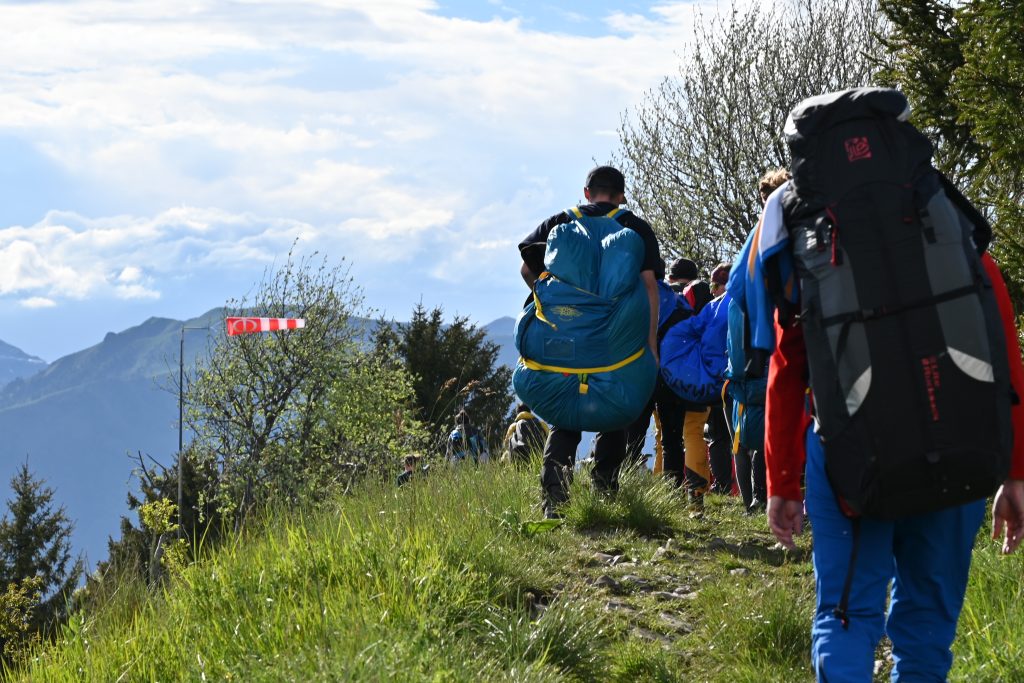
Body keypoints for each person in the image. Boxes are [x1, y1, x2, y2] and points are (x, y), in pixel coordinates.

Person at [518, 165, 661, 518]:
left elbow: (526, 269)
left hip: (564, 343)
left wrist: (554, 306)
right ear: (622, 195)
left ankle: (554, 498)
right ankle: (603, 489)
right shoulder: (635, 228)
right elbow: (648, 287)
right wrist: (650, 341)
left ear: (586, 193)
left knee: (565, 417)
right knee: (614, 411)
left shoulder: (558, 223)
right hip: (614, 344)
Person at [704, 263, 734, 495]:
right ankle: (754, 491)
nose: (712, 290)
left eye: (715, 285)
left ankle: (722, 485)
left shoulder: (715, 308)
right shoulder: (753, 304)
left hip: (720, 379)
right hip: (746, 377)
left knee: (719, 436)